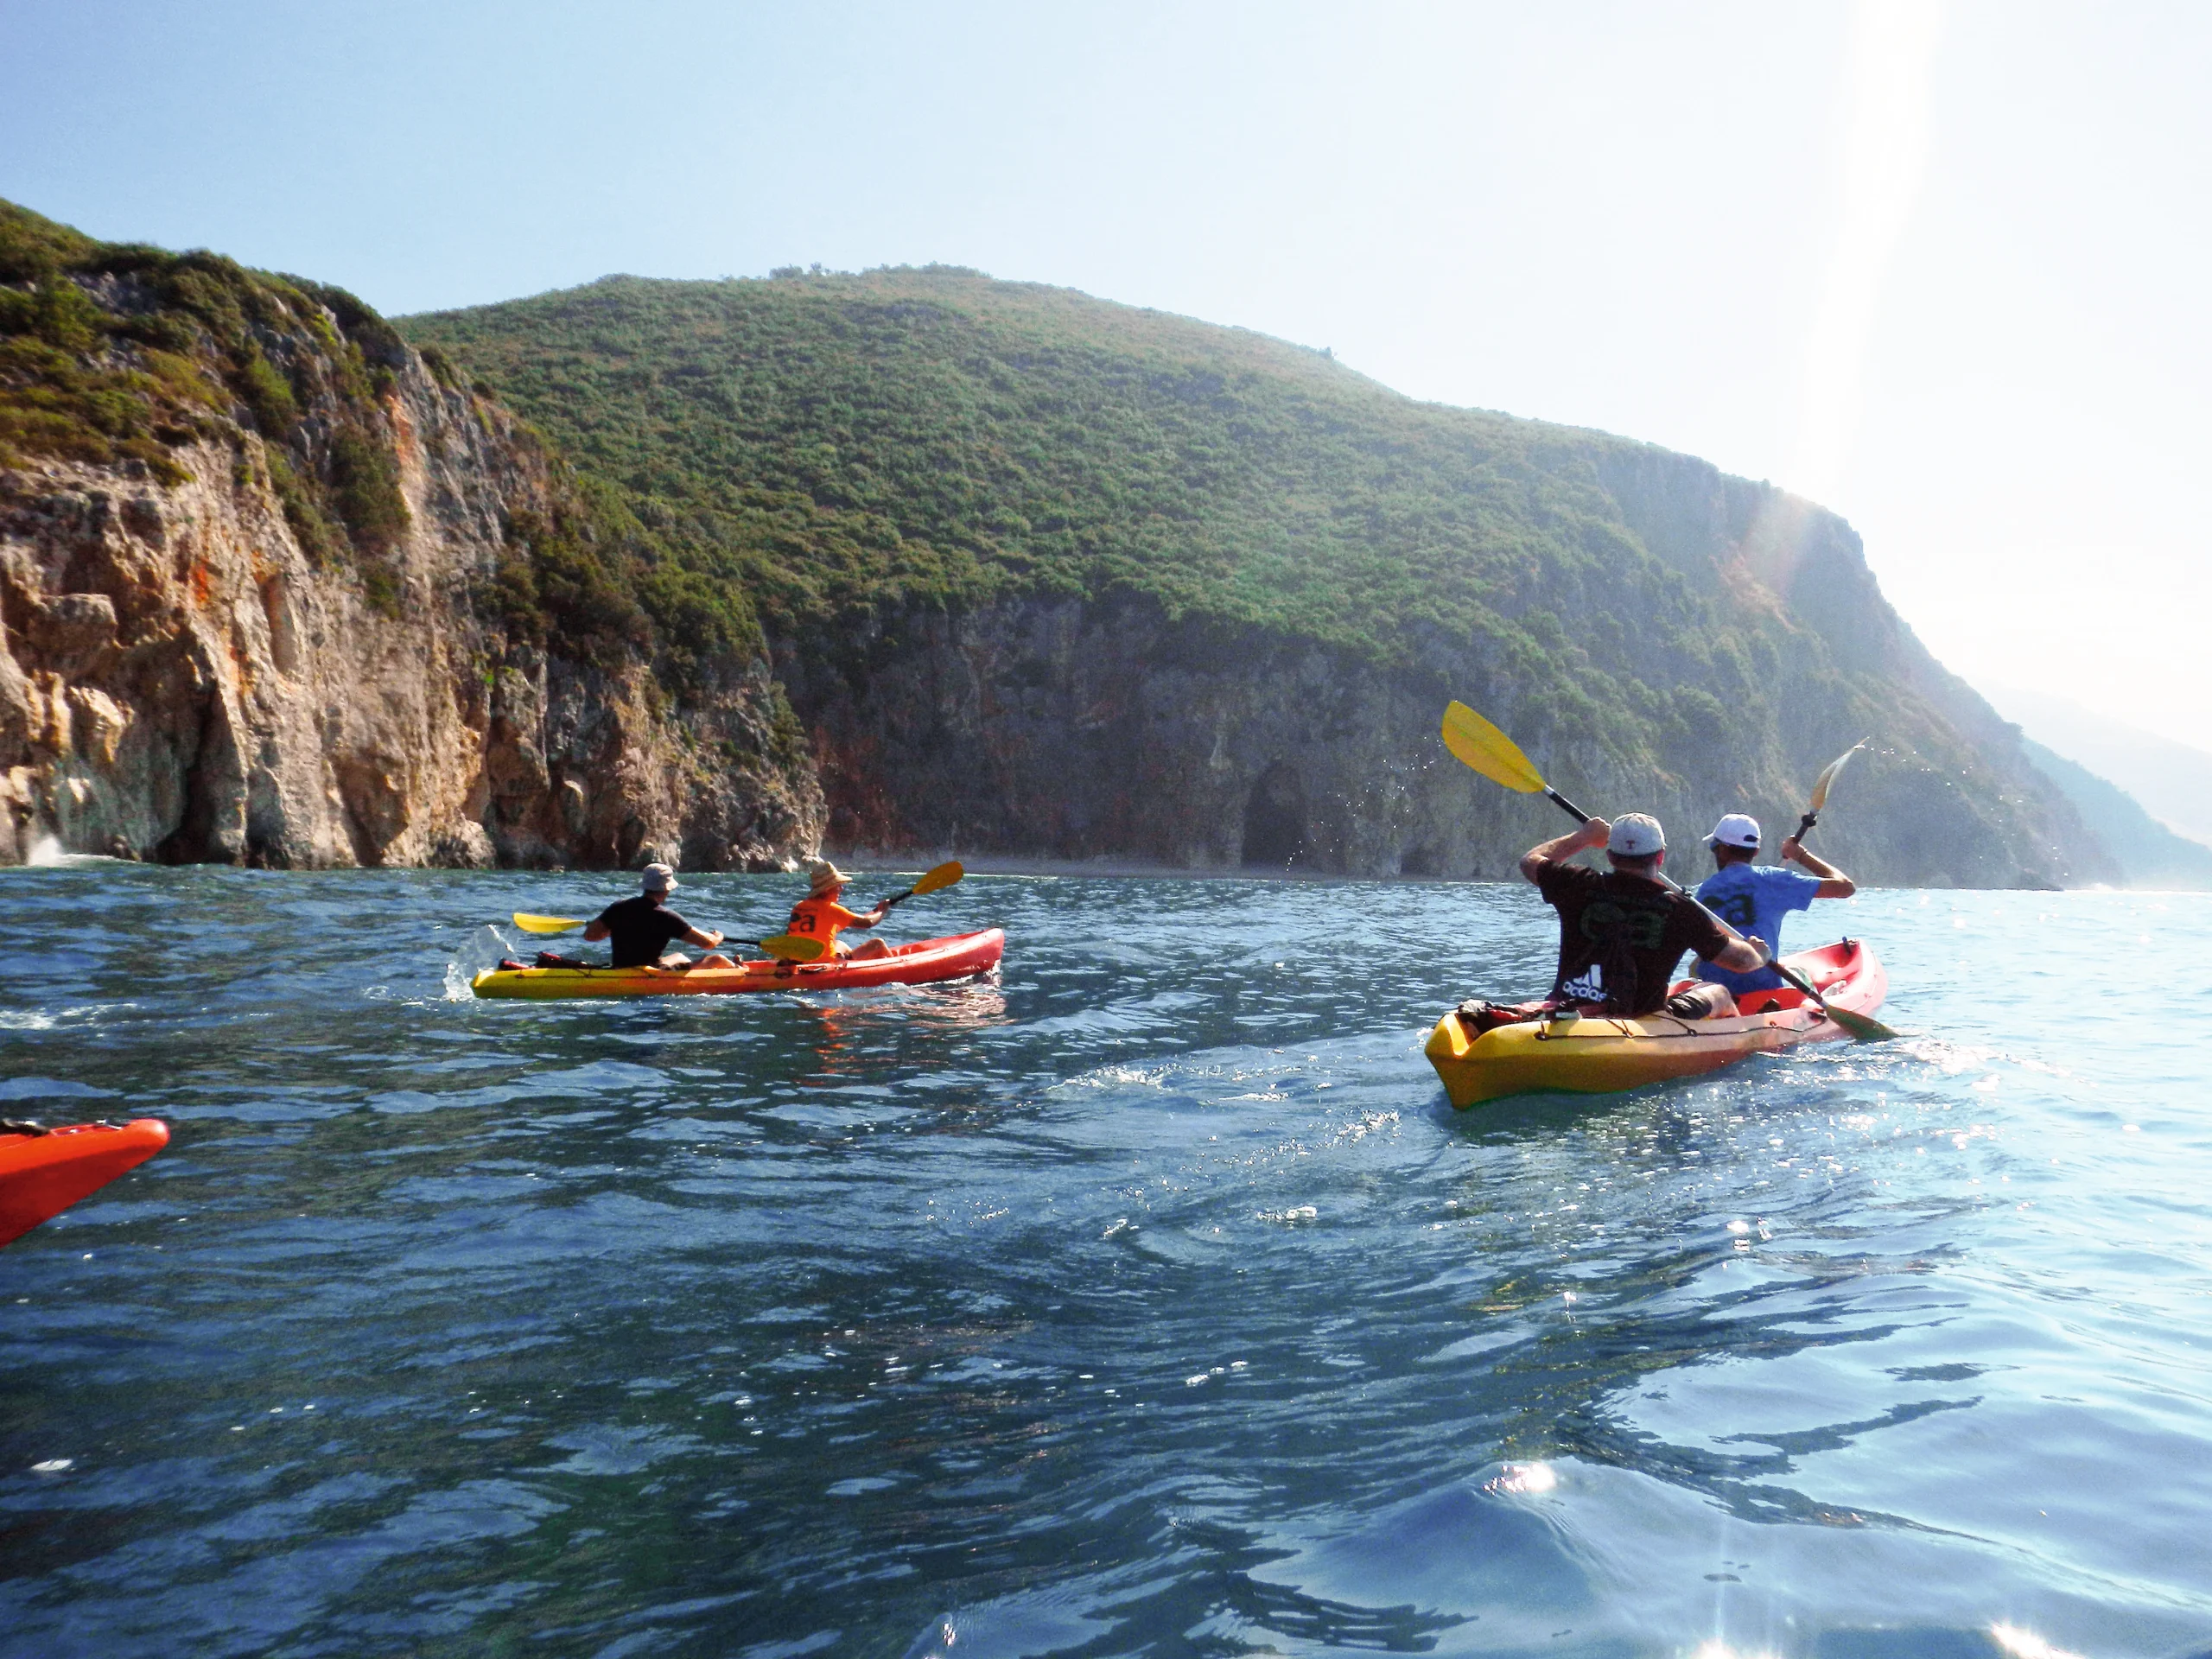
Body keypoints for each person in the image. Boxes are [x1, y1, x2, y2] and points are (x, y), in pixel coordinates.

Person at [1518, 813, 1769, 1019]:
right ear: (1660, 857)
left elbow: (1530, 862)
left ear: (1610, 856)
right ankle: (1738, 1042)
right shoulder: (1680, 909)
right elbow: (1741, 962)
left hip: (1569, 1004)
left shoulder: (1577, 883)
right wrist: (1759, 953)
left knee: (1694, 988)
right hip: (1642, 1019)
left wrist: (1584, 837)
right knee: (1719, 992)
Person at [1692, 814, 1856, 997]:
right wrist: (1800, 855)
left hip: (1712, 993)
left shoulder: (1704, 891)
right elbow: (1845, 887)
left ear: (1719, 849)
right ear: (1756, 851)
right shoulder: (1774, 880)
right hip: (1763, 991)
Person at [582, 863, 734, 969]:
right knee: (718, 959)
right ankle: (739, 968)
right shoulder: (667, 917)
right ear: (666, 889)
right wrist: (718, 936)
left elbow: (590, 936)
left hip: (619, 969)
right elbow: (708, 944)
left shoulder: (618, 907)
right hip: (649, 972)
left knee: (679, 956)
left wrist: (614, 928)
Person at [785, 861, 893, 960]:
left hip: (800, 961)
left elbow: (811, 931)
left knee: (840, 944)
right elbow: (868, 923)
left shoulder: (799, 907)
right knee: (878, 943)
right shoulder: (831, 909)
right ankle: (893, 968)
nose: (841, 889)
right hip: (825, 964)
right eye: (838, 885)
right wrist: (883, 911)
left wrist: (874, 911)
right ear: (827, 889)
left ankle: (846, 960)